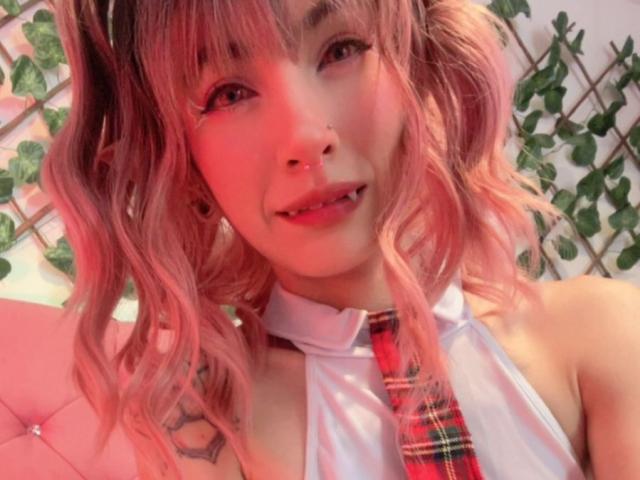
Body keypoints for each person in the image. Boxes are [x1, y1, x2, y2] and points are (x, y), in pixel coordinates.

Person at [41, 0, 639, 479]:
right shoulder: (204, 419)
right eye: (229, 94)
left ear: (417, 66)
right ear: (185, 163)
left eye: (341, 50)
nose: (306, 137)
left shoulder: (601, 332)